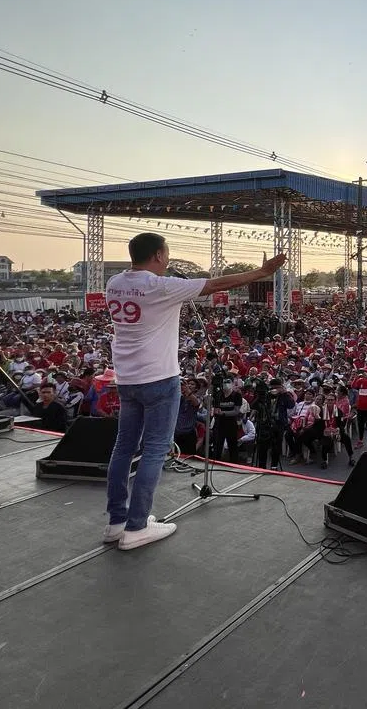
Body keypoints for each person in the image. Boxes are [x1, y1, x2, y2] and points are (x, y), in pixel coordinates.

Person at [103, 232, 284, 551]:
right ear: (159, 255)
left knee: (123, 447)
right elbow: (215, 284)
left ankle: (117, 522)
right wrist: (261, 273)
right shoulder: (160, 286)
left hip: (127, 378)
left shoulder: (115, 283)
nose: (168, 259)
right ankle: (136, 527)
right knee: (156, 449)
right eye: (167, 254)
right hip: (159, 378)